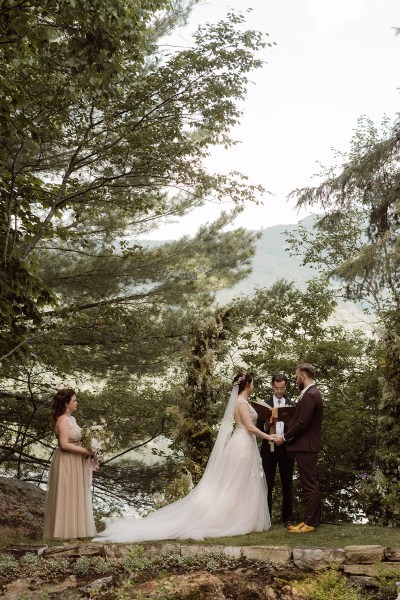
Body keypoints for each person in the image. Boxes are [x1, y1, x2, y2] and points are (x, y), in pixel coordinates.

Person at [94, 372, 273, 543]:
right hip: (242, 443)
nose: (254, 385)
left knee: (240, 482)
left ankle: (240, 516)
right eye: (253, 382)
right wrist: (269, 437)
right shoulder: (241, 402)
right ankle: (233, 518)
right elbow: (249, 427)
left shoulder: (243, 401)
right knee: (237, 482)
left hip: (244, 443)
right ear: (248, 384)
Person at [273, 363, 323, 533]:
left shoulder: (310, 395)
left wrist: (284, 437)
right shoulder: (310, 393)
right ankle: (310, 521)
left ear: (303, 376)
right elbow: (299, 419)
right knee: (310, 484)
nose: (295, 380)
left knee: (310, 485)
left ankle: (310, 523)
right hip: (306, 446)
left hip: (306, 446)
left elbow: (302, 424)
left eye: (296, 377)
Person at [43, 388, 97, 539]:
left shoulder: (72, 419)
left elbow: (77, 439)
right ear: (67, 404)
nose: (76, 403)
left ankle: (75, 531)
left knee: (75, 493)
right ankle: (64, 532)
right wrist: (86, 451)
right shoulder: (62, 420)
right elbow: (64, 444)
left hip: (76, 459)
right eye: (74, 401)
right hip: (66, 460)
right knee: (66, 493)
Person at [257, 373, 294, 526]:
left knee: (287, 484)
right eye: (276, 388)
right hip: (268, 449)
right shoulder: (264, 405)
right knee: (267, 484)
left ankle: (288, 518)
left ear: (286, 387)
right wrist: (267, 425)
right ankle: (267, 518)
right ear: (272, 386)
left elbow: (296, 429)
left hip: (286, 448)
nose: (279, 391)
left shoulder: (291, 405)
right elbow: (259, 427)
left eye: (282, 388)